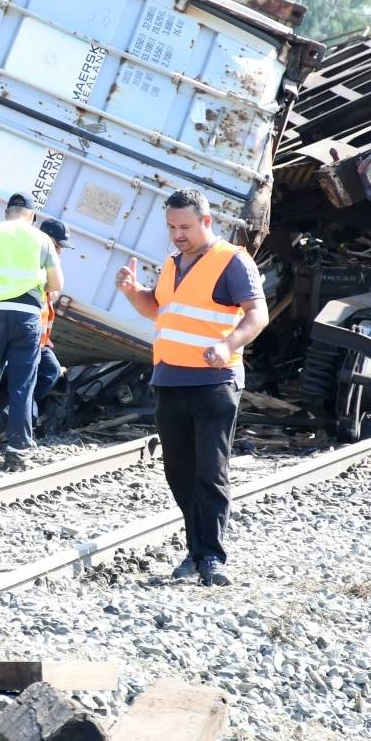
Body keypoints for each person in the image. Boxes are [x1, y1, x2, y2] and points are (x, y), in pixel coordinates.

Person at [115, 189, 268, 587]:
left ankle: (212, 556)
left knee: (210, 471)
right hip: (169, 379)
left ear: (206, 222)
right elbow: (160, 309)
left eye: (184, 227)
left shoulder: (232, 260)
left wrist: (228, 344)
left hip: (214, 383)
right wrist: (134, 294)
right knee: (178, 473)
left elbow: (258, 314)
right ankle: (196, 551)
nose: (177, 235)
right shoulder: (171, 264)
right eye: (171, 227)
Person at [0, 193, 63, 470]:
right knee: (23, 385)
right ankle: (17, 451)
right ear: (31, 216)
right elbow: (56, 283)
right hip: (27, 318)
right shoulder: (41, 239)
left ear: (8, 212)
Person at [30, 218, 72, 427]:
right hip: (26, 337)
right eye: (57, 246)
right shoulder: (31, 260)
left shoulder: (47, 264)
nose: (60, 252)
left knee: (51, 370)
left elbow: (52, 293)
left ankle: (18, 411)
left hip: (39, 341)